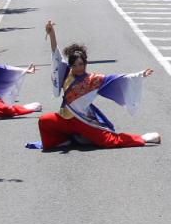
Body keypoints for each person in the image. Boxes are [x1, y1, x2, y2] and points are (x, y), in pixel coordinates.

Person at [31, 20, 160, 150]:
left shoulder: (93, 79)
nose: (78, 68)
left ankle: (143, 138)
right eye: (74, 65)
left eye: (81, 64)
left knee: (108, 141)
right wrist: (52, 34)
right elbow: (56, 55)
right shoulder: (66, 73)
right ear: (70, 65)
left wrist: (140, 75)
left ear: (85, 64)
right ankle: (64, 140)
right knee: (44, 121)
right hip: (65, 117)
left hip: (82, 120)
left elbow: (115, 79)